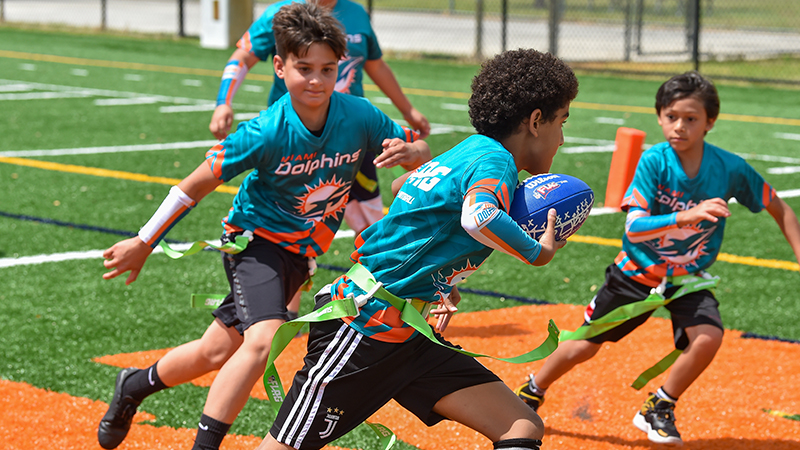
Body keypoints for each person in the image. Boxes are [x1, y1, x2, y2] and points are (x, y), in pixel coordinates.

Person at [97, 3, 431, 450]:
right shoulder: (265, 132)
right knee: (265, 340)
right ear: (280, 65)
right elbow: (190, 187)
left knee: (215, 351)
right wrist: (143, 241)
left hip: (301, 253)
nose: (315, 80)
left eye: (327, 69)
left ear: (340, 68)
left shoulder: (360, 116)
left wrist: (414, 153)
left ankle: (133, 386)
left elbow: (416, 151)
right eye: (303, 68)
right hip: (253, 242)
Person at [255, 48, 579, 450]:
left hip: (412, 335)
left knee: (521, 425)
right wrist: (538, 251)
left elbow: (402, 191)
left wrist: (441, 277)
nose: (562, 138)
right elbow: (477, 216)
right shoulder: (497, 161)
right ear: (535, 121)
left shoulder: (472, 148)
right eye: (561, 121)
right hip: (365, 324)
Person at [514, 71, 800, 445]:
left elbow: (780, 207)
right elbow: (635, 228)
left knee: (709, 337)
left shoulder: (729, 168)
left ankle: (659, 405)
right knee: (584, 344)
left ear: (710, 121)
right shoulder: (654, 161)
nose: (678, 126)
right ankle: (533, 390)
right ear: (659, 116)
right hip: (635, 272)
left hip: (686, 278)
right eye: (670, 116)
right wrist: (686, 215)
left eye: (691, 118)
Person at [210, 0, 432, 321]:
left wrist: (407, 110)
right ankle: (279, 316)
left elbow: (376, 65)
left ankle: (385, 307)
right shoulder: (281, 14)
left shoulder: (356, 14)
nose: (317, 76)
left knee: (372, 224)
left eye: (328, 68)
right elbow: (242, 57)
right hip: (294, 142)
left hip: (353, 137)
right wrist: (223, 102)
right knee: (292, 221)